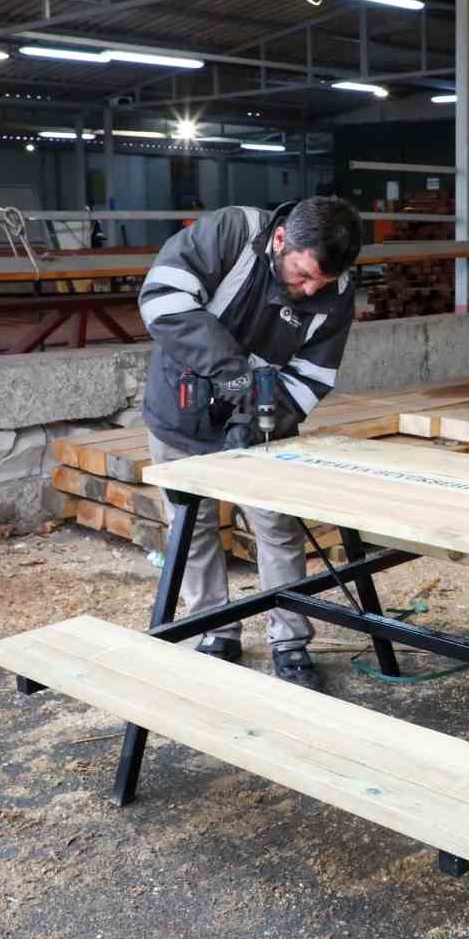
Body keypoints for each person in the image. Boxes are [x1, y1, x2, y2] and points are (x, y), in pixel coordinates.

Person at [138, 197, 364, 690]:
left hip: (263, 422)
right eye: (302, 275)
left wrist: (263, 419)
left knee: (278, 527)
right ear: (281, 239)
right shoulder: (230, 234)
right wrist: (234, 377)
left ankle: (289, 640)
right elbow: (163, 301)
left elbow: (312, 375)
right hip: (181, 410)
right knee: (191, 528)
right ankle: (213, 629)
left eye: (318, 285)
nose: (307, 291)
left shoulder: (338, 289)